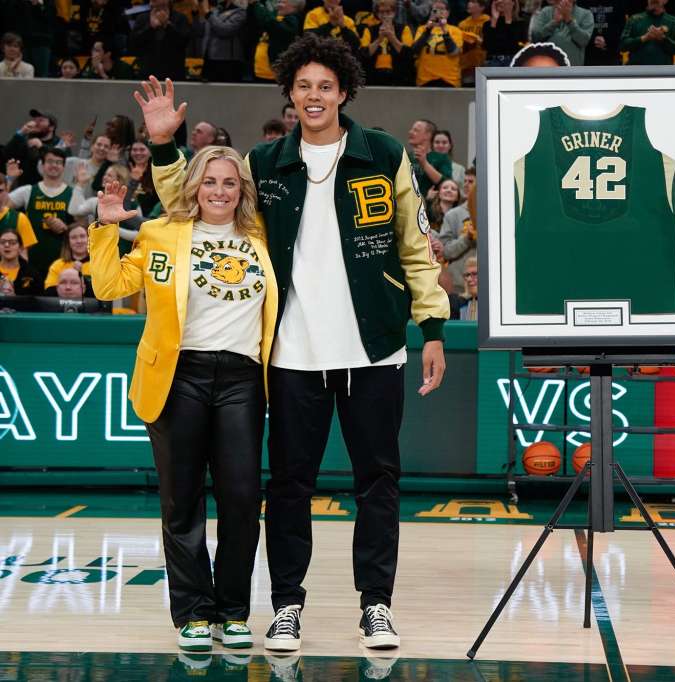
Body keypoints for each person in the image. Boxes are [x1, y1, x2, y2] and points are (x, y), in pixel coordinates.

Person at [138, 32, 450, 652]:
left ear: (344, 92)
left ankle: (376, 605)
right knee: (288, 487)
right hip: (290, 355)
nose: (314, 96)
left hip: (375, 349)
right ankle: (286, 606)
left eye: (325, 86)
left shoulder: (384, 153)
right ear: (289, 92)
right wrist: (165, 144)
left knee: (378, 483)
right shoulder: (263, 161)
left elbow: (415, 247)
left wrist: (433, 328)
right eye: (303, 85)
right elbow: (191, 202)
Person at [88, 146, 278, 653]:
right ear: (193, 186)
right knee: (182, 502)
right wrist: (105, 227)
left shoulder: (262, 235)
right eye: (209, 181)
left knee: (242, 499)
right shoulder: (160, 233)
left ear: (242, 190)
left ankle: (233, 611)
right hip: (179, 376)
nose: (219, 191)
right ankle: (193, 613)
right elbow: (108, 285)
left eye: (230, 182)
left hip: (242, 377)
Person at [5, 146, 74, 273]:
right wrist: (9, 180)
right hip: (31, 259)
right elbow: (3, 207)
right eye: (50, 161)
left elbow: (85, 224)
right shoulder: (28, 191)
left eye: (58, 162)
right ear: (42, 165)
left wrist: (66, 228)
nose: (54, 165)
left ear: (64, 167)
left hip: (63, 260)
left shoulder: (73, 193)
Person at [359, 0, 414, 85]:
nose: (384, 15)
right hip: (373, 76)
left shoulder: (404, 29)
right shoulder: (370, 30)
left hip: (398, 77)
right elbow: (364, 54)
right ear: (377, 14)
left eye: (388, 11)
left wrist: (391, 37)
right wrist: (379, 38)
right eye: (381, 12)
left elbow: (407, 54)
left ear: (394, 12)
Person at [438, 168, 476, 290]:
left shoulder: (495, 214)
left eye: (471, 181)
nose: (466, 184)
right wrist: (467, 238)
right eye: (465, 181)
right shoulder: (452, 215)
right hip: (459, 285)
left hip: (490, 282)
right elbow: (445, 252)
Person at [412, 0, 464, 87]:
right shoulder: (422, 29)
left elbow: (453, 52)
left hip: (449, 79)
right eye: (435, 9)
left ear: (448, 13)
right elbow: (415, 51)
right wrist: (428, 30)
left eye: (442, 9)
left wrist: (444, 29)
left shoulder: (455, 30)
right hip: (425, 79)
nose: (438, 12)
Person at [528, 0, 594, 66]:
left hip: (572, 68)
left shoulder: (586, 14)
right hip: (546, 66)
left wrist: (569, 20)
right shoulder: (545, 11)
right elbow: (535, 37)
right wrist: (554, 22)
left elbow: (583, 40)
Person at [198, 0, 249, 83]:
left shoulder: (240, 12)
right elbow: (202, 30)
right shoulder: (216, 10)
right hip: (209, 58)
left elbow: (224, 30)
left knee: (226, 89)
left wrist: (208, 13)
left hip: (227, 62)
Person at [619, 0, 675, 67]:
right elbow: (622, 45)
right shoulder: (634, 20)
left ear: (665, 1)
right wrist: (644, 38)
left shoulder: (673, 21)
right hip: (637, 70)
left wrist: (663, 38)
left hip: (664, 70)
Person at [44, 224, 92, 290]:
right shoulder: (57, 265)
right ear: (68, 242)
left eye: (82, 236)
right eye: (74, 237)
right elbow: (49, 290)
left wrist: (80, 276)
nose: (79, 241)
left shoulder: (100, 263)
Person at [481, 0, 528, 66]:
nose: (500, 1)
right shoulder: (487, 24)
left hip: (513, 61)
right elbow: (486, 46)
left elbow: (513, 44)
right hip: (492, 62)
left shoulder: (520, 23)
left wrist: (508, 19)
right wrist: (494, 20)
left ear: (513, 3)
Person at [0, 229, 44, 295]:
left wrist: (14, 298)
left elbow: (39, 299)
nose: (7, 245)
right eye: (2, 242)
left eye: (12, 242)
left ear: (20, 248)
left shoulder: (32, 274)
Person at [458, 0, 489, 84]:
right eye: (469, 2)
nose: (469, 4)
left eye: (473, 2)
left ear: (482, 7)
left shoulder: (487, 21)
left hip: (482, 61)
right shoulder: (462, 24)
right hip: (466, 63)